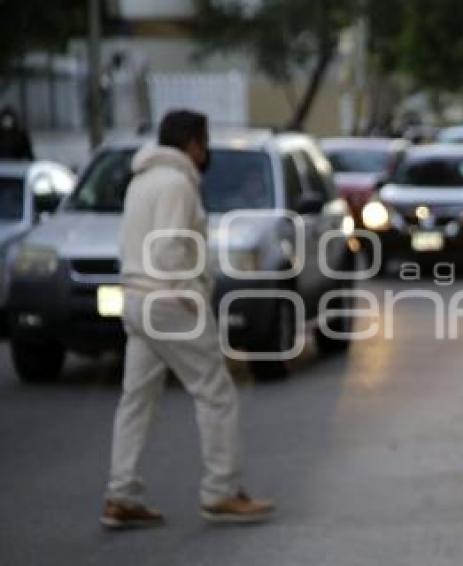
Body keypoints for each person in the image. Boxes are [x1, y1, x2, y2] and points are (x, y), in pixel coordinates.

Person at [102, 110, 274, 528]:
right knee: (215, 391)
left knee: (137, 399)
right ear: (192, 143)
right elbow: (167, 250)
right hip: (168, 302)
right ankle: (221, 492)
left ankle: (121, 494)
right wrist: (193, 294)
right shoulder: (177, 183)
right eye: (204, 141)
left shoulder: (142, 180)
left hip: (138, 299)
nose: (206, 150)